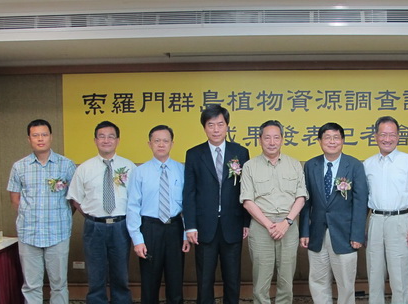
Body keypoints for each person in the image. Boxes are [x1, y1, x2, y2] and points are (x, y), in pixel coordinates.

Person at [183, 105, 251, 304]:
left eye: (220, 124)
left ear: (227, 126)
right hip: (204, 227)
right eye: (211, 125)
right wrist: (191, 225)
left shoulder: (241, 152)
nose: (216, 129)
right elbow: (189, 193)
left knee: (232, 278)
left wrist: (246, 222)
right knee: (205, 279)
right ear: (204, 127)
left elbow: (245, 191)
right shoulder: (194, 154)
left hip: (233, 224)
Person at [7, 119, 76, 304]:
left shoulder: (67, 165)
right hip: (29, 233)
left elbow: (73, 199)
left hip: (58, 232)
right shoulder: (19, 166)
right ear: (29, 139)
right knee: (31, 285)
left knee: (59, 284)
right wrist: (29, 216)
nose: (40, 139)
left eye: (44, 135)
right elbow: (15, 199)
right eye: (35, 135)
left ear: (51, 137)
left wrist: (61, 216)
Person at [67, 121, 136, 304]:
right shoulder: (84, 168)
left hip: (121, 225)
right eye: (102, 136)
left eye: (111, 136)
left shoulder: (129, 167)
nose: (106, 140)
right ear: (95, 140)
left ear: (118, 140)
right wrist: (92, 216)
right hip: (94, 226)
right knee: (95, 273)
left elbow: (136, 199)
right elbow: (75, 198)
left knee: (120, 272)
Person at [299, 122, 369, 304]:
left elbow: (361, 203)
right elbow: (306, 201)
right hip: (317, 233)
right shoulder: (311, 165)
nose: (332, 142)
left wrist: (357, 234)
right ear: (319, 141)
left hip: (345, 235)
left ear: (343, 141)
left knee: (346, 284)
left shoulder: (354, 166)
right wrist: (304, 231)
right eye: (327, 138)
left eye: (336, 137)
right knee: (318, 281)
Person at [240, 120, 308, 304]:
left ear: (282, 140)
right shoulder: (249, 166)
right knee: (261, 281)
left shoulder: (294, 165)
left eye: (276, 137)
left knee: (286, 281)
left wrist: (286, 222)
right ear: (260, 140)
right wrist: (270, 225)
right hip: (262, 226)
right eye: (267, 138)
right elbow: (247, 201)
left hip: (289, 226)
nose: (272, 142)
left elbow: (301, 197)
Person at [363, 116, 408, 304]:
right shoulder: (367, 164)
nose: (387, 139)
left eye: (391, 135)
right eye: (383, 134)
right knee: (374, 273)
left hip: (401, 221)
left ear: (398, 136)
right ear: (375, 136)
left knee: (399, 275)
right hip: (375, 220)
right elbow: (363, 200)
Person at [126, 125, 190, 304]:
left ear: (172, 143)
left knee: (175, 281)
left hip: (175, 228)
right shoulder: (140, 172)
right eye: (157, 141)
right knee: (149, 281)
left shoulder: (182, 170)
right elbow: (132, 206)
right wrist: (137, 239)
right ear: (149, 144)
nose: (161, 144)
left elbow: (187, 205)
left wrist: (185, 234)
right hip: (150, 229)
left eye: (165, 141)